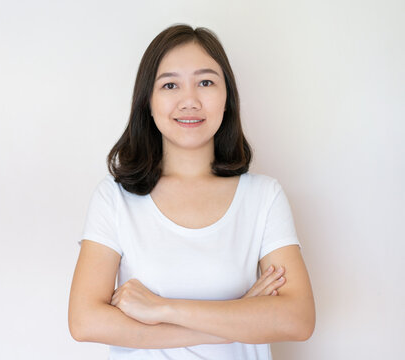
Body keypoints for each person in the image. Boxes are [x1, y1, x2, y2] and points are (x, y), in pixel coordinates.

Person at [68, 23, 315, 359]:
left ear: (227, 98)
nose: (189, 100)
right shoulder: (114, 198)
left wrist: (163, 309)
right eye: (170, 84)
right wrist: (236, 317)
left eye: (205, 82)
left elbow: (297, 319)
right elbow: (85, 322)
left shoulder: (263, 197)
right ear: (148, 103)